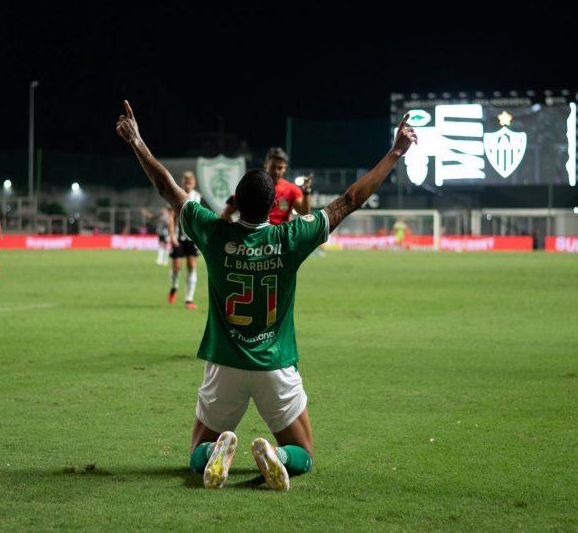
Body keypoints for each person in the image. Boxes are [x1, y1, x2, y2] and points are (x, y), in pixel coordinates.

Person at [116, 100, 417, 491]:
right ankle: (278, 455)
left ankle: (215, 454)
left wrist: (137, 142)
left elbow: (168, 190)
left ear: (235, 203)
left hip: (224, 363)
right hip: (275, 366)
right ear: (276, 205)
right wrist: (394, 152)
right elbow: (349, 201)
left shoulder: (215, 233)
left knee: (196, 452)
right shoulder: (290, 237)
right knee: (304, 453)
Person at [221, 147, 312, 225]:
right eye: (273, 166)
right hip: (255, 238)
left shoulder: (291, 189)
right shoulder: (254, 184)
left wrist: (306, 191)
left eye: (280, 168)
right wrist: (234, 233)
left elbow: (304, 212)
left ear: (285, 168)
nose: (276, 171)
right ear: (266, 164)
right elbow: (226, 213)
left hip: (277, 239)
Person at [168, 172, 201, 309]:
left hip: (192, 238)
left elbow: (201, 218)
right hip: (178, 238)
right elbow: (171, 217)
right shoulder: (176, 195)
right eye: (186, 181)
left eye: (190, 181)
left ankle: (189, 299)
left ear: (194, 183)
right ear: (182, 182)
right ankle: (174, 287)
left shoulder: (198, 197)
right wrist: (172, 236)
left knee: (192, 266)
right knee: (177, 267)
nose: (188, 183)